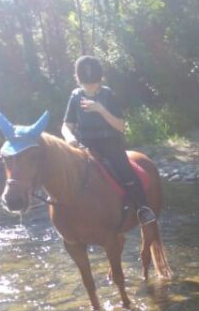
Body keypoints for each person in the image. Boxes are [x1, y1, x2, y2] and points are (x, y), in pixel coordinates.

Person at [62, 55, 156, 225]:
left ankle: (143, 208)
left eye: (93, 84)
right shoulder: (75, 96)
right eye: (86, 84)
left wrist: (100, 109)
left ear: (99, 80)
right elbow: (66, 125)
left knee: (126, 172)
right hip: (85, 146)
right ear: (79, 81)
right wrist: (69, 137)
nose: (90, 87)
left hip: (110, 144)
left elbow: (121, 126)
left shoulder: (108, 95)